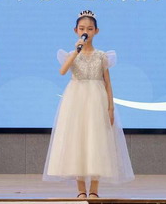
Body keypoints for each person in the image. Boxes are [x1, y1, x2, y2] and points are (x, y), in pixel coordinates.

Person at [43, 10, 134, 198]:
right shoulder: (71, 54)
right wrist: (76, 51)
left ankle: (94, 189)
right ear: (76, 30)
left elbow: (107, 83)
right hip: (76, 100)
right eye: (82, 28)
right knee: (77, 140)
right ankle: (80, 190)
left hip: (97, 99)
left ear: (96, 31)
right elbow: (62, 71)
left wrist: (110, 107)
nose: (86, 32)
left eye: (90, 29)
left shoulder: (102, 56)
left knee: (96, 140)